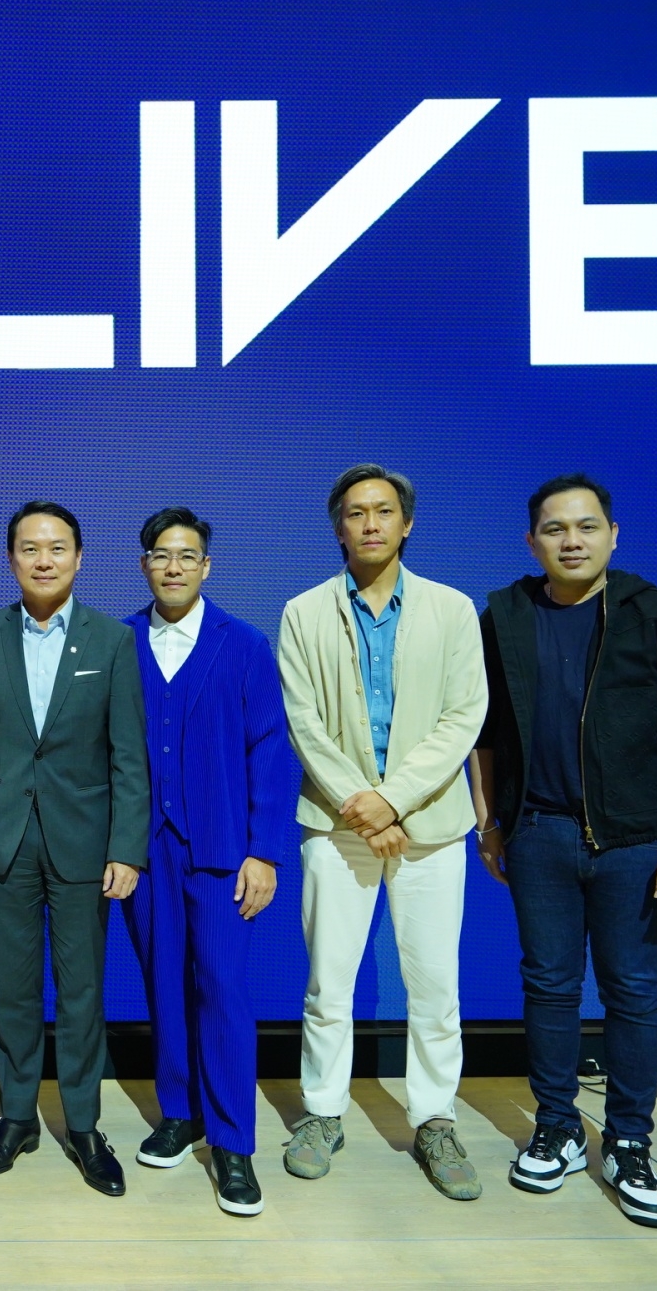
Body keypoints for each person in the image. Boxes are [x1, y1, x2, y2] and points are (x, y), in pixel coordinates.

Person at [472, 474, 657, 1228]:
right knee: (549, 987)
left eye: (587, 526)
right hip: (539, 833)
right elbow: (483, 727)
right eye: (555, 529)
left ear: (613, 536)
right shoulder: (504, 616)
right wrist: (491, 821)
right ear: (532, 542)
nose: (572, 541)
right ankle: (556, 1126)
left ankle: (628, 1141)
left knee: (635, 991)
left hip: (636, 840)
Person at [277, 464, 487, 1201]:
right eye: (356, 512)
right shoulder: (303, 611)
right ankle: (321, 1112)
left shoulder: (452, 609)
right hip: (335, 825)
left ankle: (434, 1118)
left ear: (407, 523)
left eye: (385, 510)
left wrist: (391, 801)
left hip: (429, 825)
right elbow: (302, 720)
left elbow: (464, 715)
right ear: (338, 527)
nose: (371, 523)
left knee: (434, 985)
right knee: (328, 982)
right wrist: (358, 804)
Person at [0, 501, 149, 1197]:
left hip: (84, 842)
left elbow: (128, 754)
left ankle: (85, 1126)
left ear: (79, 557)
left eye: (58, 547)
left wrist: (126, 847)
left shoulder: (111, 640)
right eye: (30, 548)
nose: (44, 560)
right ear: (11, 558)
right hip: (5, 840)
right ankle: (15, 1118)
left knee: (82, 992)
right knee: (12, 990)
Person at [122, 508, 295, 1217]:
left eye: (186, 555)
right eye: (160, 555)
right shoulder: (121, 641)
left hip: (223, 848)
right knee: (163, 981)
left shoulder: (244, 643)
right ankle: (180, 1111)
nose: (173, 566)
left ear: (206, 566)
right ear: (144, 565)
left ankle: (232, 1142)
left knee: (222, 987)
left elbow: (271, 749)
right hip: (144, 849)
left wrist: (264, 851)